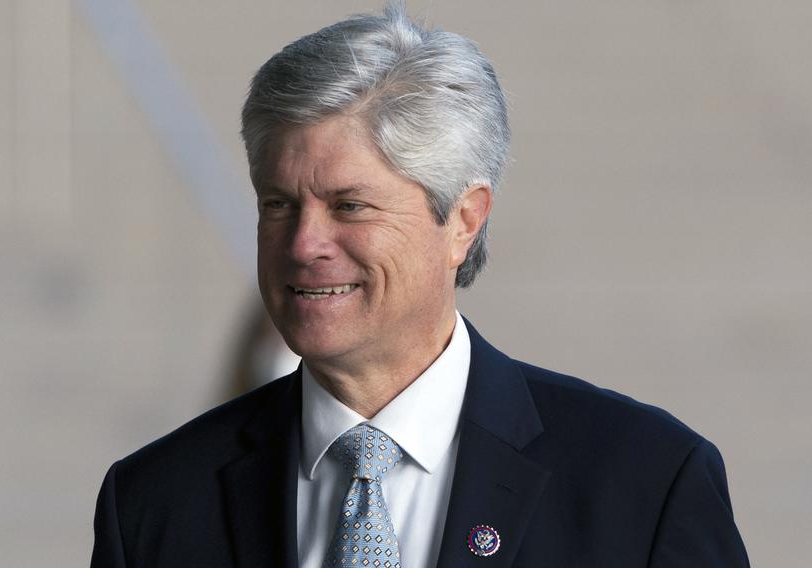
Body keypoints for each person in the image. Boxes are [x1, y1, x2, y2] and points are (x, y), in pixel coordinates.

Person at [91, 2, 749, 566]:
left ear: (463, 220)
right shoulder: (153, 504)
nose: (303, 245)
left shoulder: (644, 485)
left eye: (349, 205)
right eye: (278, 204)